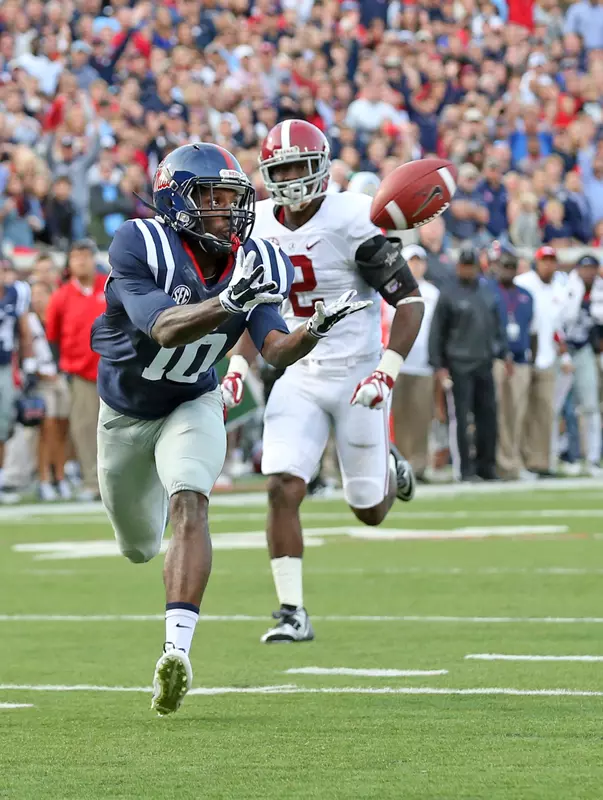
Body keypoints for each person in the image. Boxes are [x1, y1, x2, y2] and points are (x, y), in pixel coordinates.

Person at [90, 142, 365, 716]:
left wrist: (314, 330)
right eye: (211, 198)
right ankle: (153, 508)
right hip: (125, 414)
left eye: (232, 198)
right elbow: (163, 328)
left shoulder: (256, 257)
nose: (227, 210)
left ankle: (176, 652)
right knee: (138, 546)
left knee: (192, 502)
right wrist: (228, 300)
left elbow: (274, 348)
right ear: (175, 201)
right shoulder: (140, 243)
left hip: (193, 400)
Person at [221, 120, 423, 644]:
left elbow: (409, 300)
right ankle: (292, 611)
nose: (291, 178)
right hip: (299, 372)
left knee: (369, 510)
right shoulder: (257, 226)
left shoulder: (353, 218)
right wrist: (238, 370)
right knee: (282, 485)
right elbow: (252, 308)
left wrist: (385, 371)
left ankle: (389, 466)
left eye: (299, 166)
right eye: (282, 168)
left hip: (358, 374)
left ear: (322, 167)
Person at [429, 246, 506, 482]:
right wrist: (438, 365)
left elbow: (496, 325)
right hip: (458, 364)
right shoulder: (448, 293)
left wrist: (501, 352)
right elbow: (437, 332)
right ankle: (464, 469)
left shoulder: (486, 292)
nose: (468, 270)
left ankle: (487, 466)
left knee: (488, 416)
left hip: (484, 362)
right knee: (461, 418)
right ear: (458, 267)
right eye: (464, 266)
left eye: (471, 266)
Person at [45, 240, 107, 501]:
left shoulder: (109, 286)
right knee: (85, 428)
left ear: (94, 259)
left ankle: (118, 482)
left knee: (119, 428)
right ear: (69, 263)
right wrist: (62, 367)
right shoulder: (61, 296)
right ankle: (92, 482)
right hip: (80, 373)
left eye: (85, 255)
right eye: (75, 257)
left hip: (114, 369)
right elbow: (52, 336)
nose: (81, 261)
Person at [514, 246, 572, 475]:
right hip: (523, 356)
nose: (548, 265)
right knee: (520, 411)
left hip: (547, 357)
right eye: (544, 260)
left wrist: (564, 354)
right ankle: (518, 461)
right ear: (536, 262)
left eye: (551, 261)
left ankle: (540, 462)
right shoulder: (523, 283)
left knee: (544, 412)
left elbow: (558, 327)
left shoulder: (560, 288)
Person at [388, 245, 440, 482]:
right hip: (397, 361)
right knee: (399, 417)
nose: (416, 266)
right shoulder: (392, 288)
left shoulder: (433, 293)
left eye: (419, 262)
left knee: (421, 417)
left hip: (424, 363)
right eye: (411, 261)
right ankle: (401, 465)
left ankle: (418, 466)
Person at [488, 248, 535, 480]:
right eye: (504, 266)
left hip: (520, 360)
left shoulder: (526, 296)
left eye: (511, 267)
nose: (508, 271)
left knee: (518, 413)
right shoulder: (489, 291)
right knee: (498, 412)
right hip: (497, 359)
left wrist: (530, 358)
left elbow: (532, 330)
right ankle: (501, 462)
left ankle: (515, 461)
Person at [557, 254, 603, 475]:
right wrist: (563, 353)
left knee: (590, 405)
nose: (589, 272)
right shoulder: (565, 287)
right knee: (561, 407)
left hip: (584, 349)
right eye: (585, 268)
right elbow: (558, 322)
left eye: (593, 268)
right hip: (562, 350)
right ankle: (565, 454)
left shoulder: (600, 291)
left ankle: (593, 458)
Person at [0, 259, 35, 499]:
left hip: (4, 366)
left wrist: (28, 366)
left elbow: (24, 331)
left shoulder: (17, 292)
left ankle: (2, 477)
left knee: (3, 424)